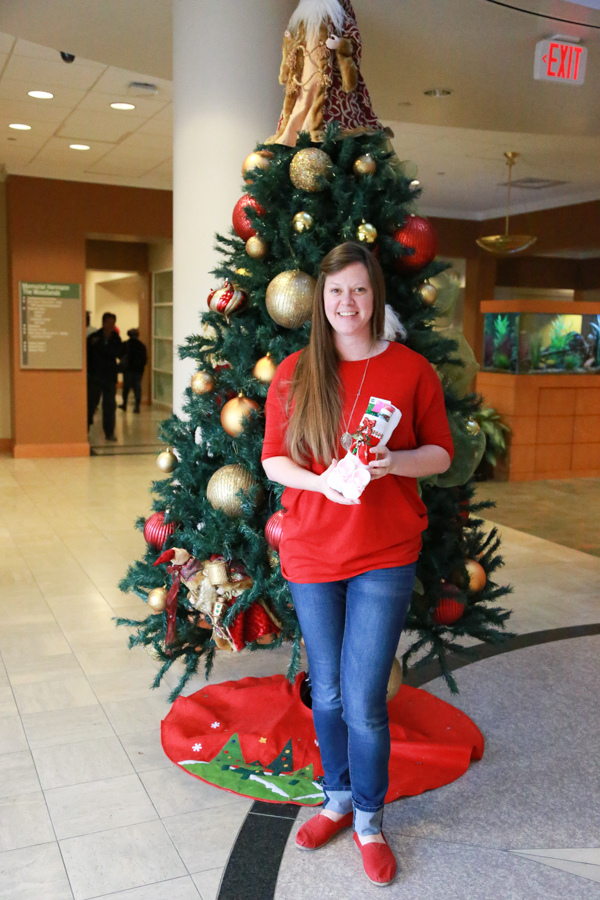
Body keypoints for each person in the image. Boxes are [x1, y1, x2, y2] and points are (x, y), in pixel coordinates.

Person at [261, 242, 454, 887]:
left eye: (361, 291)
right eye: (337, 291)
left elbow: (441, 455)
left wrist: (391, 462)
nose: (348, 303)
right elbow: (273, 460)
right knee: (329, 692)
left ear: (377, 298)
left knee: (366, 698)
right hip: (312, 550)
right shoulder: (294, 371)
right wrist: (322, 485)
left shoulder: (410, 371)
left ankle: (369, 820)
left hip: (385, 553)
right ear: (321, 298)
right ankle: (336, 799)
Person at [87, 312, 122, 441]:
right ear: (103, 323)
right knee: (91, 404)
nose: (111, 326)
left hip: (109, 377)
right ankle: (85, 428)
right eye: (108, 323)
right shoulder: (94, 338)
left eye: (113, 323)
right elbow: (88, 356)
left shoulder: (116, 338)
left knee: (109, 406)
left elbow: (118, 353)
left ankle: (109, 432)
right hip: (95, 377)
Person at [119, 328, 148, 413]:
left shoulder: (126, 344)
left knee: (126, 388)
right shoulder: (142, 346)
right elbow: (144, 358)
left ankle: (124, 404)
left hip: (128, 369)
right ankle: (137, 406)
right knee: (137, 387)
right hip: (138, 370)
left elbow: (119, 354)